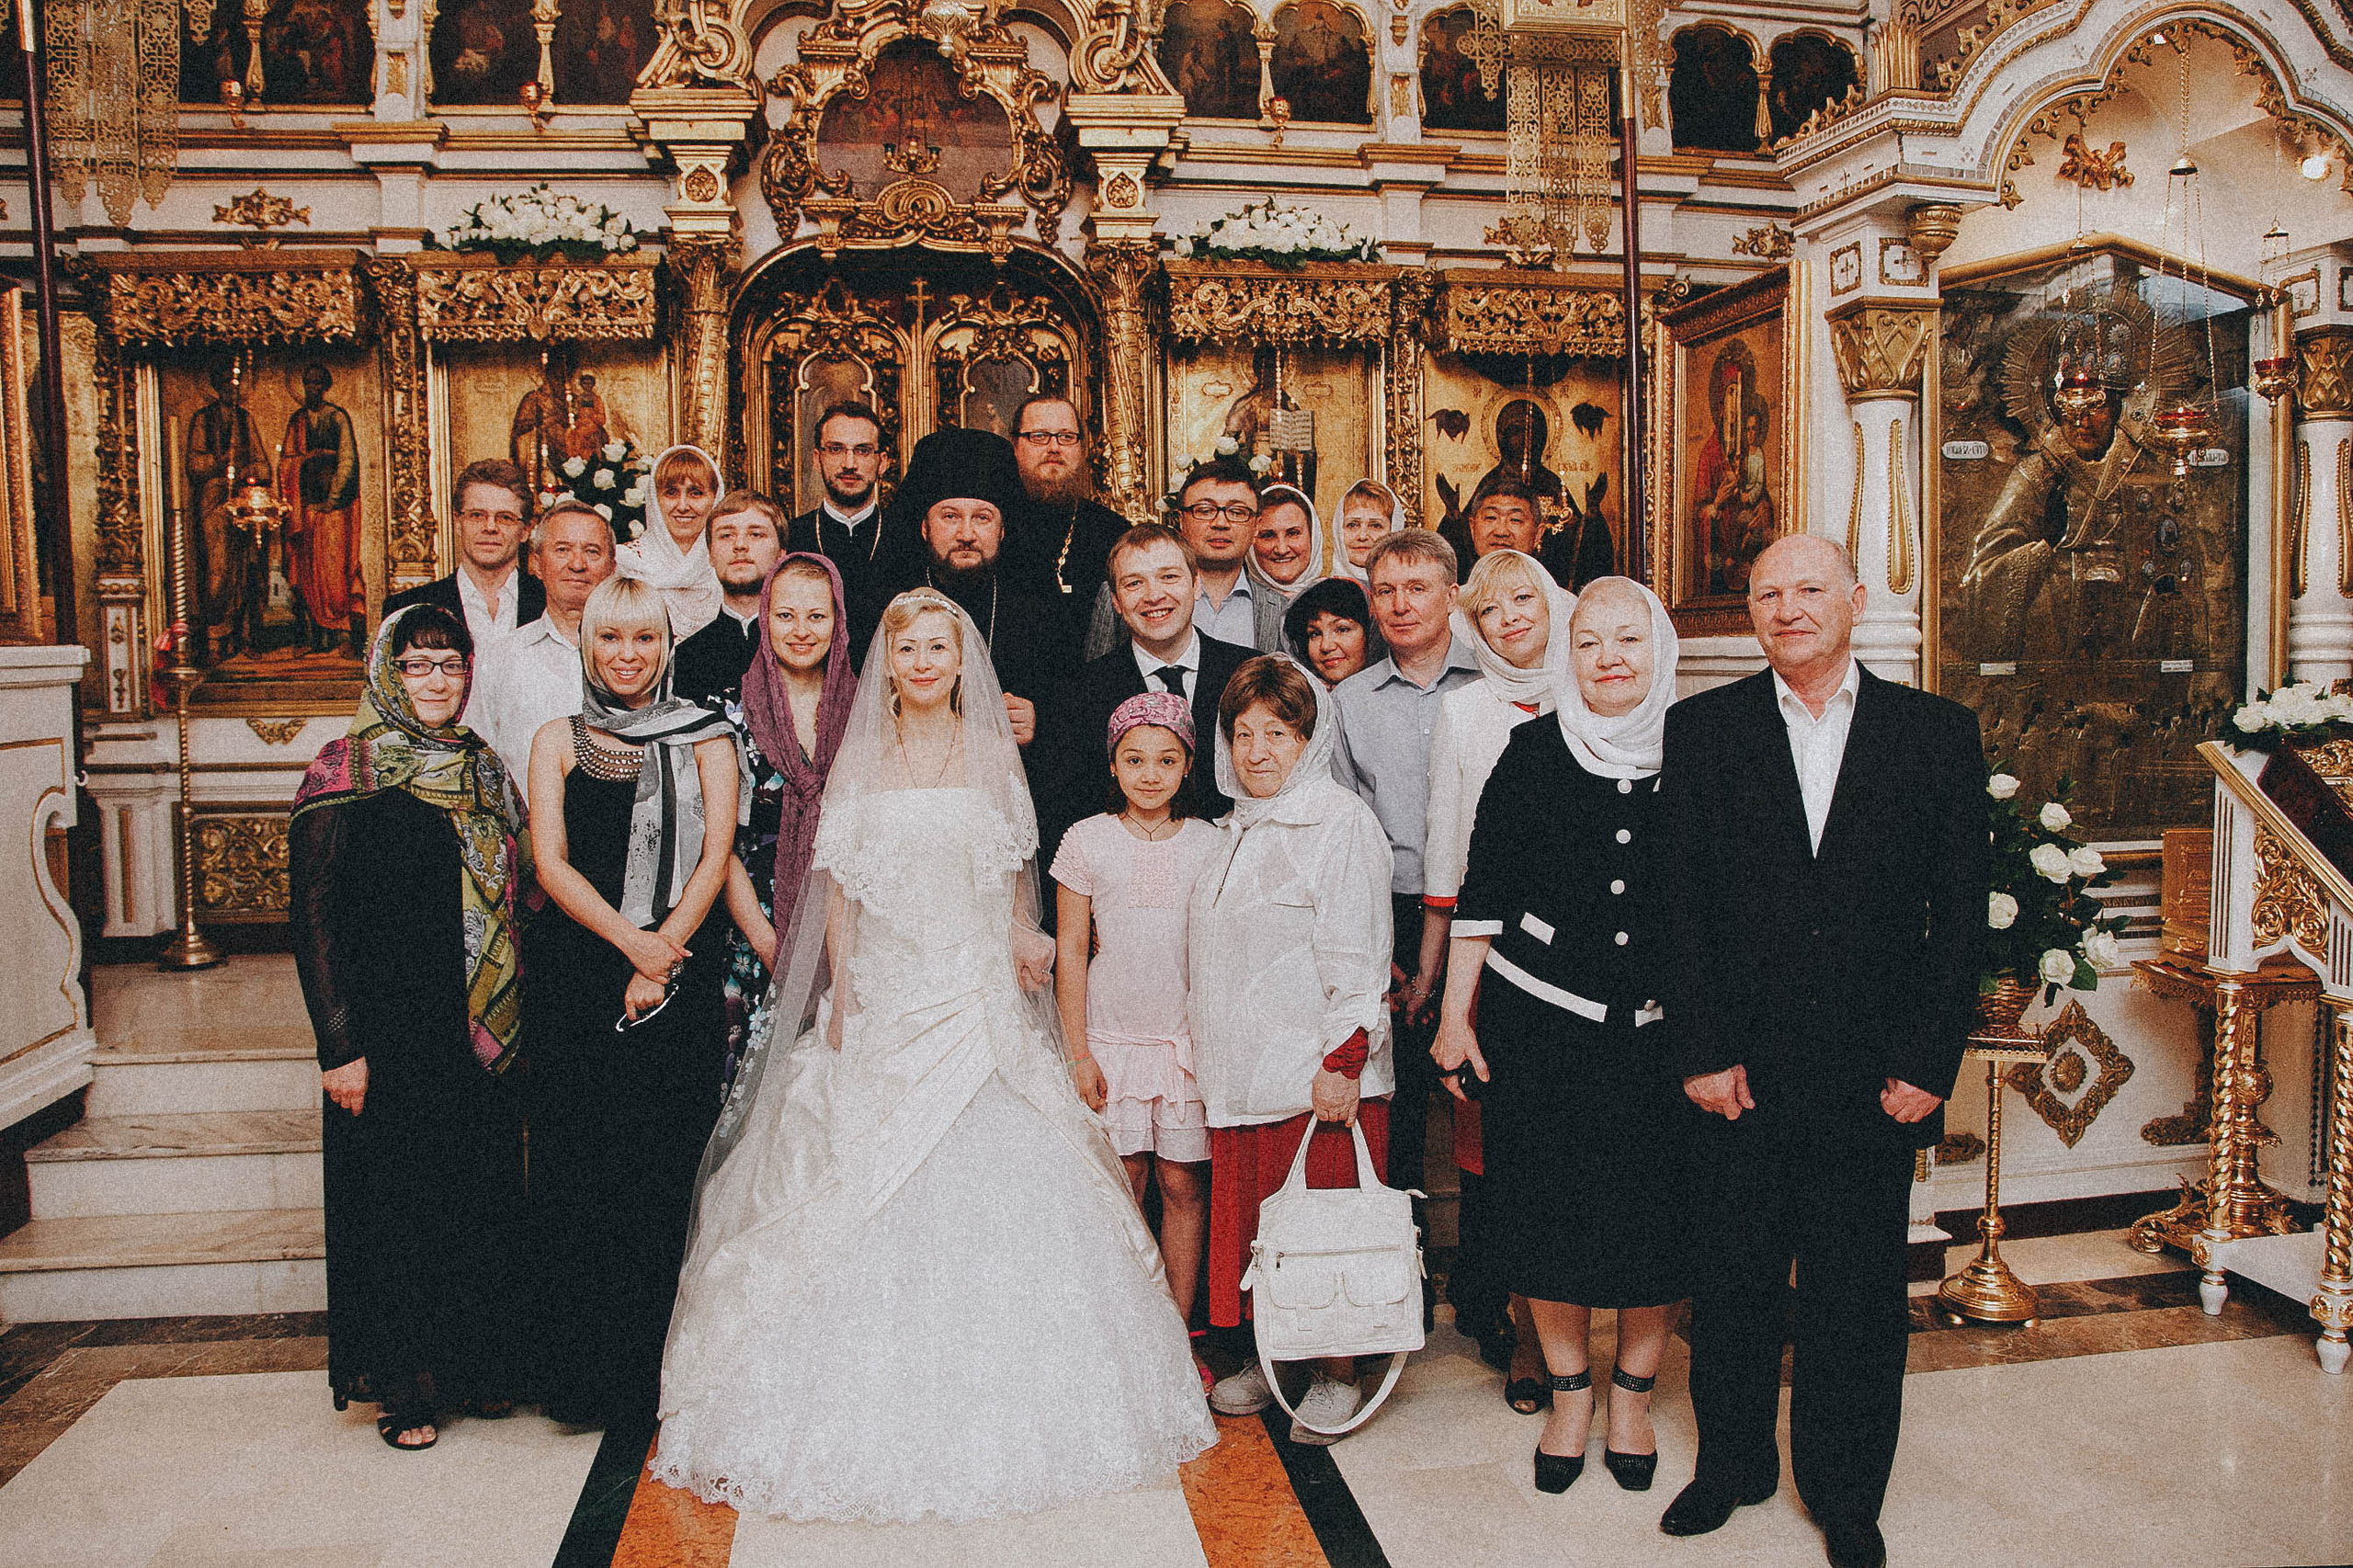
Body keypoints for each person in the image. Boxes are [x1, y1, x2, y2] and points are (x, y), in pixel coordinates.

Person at [654, 588, 1216, 1521]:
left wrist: (1024, 940)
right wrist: (843, 994)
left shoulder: (993, 751)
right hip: (887, 993)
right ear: (888, 659)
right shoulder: (858, 761)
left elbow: (1006, 878)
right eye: (906, 645)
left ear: (963, 662)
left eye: (938, 647)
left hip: (974, 996)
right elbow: (839, 896)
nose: (922, 660)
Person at [1656, 536, 1987, 1568]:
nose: (1787, 607)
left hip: (1871, 1074)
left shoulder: (1934, 733)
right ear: (1746, 613)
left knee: (1853, 1292)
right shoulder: (1703, 730)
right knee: (1734, 1277)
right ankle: (1732, 1465)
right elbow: (1682, 910)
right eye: (1767, 592)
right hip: (1738, 1072)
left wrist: (1931, 1061)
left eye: (1808, 588)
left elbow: (1962, 917)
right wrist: (1700, 1050)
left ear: (1852, 600)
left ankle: (1846, 1492)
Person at [1433, 576, 1692, 1499]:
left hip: (1662, 1036)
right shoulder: (1534, 749)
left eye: (1628, 639)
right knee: (1546, 1215)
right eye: (1587, 642)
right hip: (1538, 1020)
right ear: (1566, 655)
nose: (1609, 657)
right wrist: (1456, 1014)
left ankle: (1632, 1393)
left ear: (1658, 647)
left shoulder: (1700, 752)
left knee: (1654, 1223)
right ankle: (1570, 1392)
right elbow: (1483, 888)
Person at [288, 605, 526, 1452]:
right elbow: (312, 918)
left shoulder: (483, 767)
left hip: (477, 1024)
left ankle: (474, 1364)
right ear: (390, 673)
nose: (436, 682)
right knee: (399, 1206)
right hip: (389, 1033)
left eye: (451, 666)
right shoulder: (343, 769)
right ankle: (408, 1384)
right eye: (419, 667)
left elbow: (520, 888)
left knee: (475, 1195)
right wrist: (338, 1045)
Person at [524, 574, 743, 1428]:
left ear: (666, 647)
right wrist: (630, 943)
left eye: (643, 639)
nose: (627, 655)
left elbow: (716, 854)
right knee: (582, 1172)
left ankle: (658, 1379)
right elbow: (552, 861)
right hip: (580, 977)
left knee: (661, 1174)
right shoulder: (557, 740)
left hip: (679, 974)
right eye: (610, 639)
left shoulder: (705, 737)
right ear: (586, 646)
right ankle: (582, 1377)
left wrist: (664, 954)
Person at [1192, 655, 1395, 1444]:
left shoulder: (1338, 824)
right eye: (1242, 735)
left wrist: (1343, 1063)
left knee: (1323, 1227)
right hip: (1244, 1073)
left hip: (1316, 1077)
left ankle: (1337, 1369)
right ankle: (1269, 1350)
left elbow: (1360, 957)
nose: (1257, 751)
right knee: (1257, 1227)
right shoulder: (1234, 828)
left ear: (1309, 740)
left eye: (1277, 733)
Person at [1417, 547, 1574, 1404]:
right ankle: (1521, 1328)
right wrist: (1441, 986)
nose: (1512, 615)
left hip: (1591, 953)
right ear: (1472, 626)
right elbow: (1447, 844)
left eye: (1526, 598)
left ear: (1556, 602)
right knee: (1504, 1153)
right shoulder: (1466, 711)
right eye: (1491, 608)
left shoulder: (1599, 685)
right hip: (1491, 945)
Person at [1052, 692, 1222, 1390]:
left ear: (1187, 766)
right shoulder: (1086, 840)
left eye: (1166, 759)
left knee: (1184, 1181)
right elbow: (1069, 950)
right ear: (1114, 765)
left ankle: (1178, 1332)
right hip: (1110, 1040)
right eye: (1134, 760)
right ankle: (1128, 1331)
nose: (1149, 773)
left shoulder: (1213, 843)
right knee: (1125, 1184)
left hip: (1184, 1045)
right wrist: (1077, 1053)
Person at [1332, 529, 1480, 1209]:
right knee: (1399, 1096)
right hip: (1390, 908)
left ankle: (1486, 1289)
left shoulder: (1491, 685)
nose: (1399, 605)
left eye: (1417, 588)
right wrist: (1369, 935)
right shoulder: (1349, 701)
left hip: (1484, 911)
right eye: (1384, 590)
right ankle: (1403, 1266)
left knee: (1480, 1091)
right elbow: (1346, 827)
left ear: (1453, 596)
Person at [1038, 524, 1250, 881]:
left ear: (1196, 584)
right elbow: (1066, 817)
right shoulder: (1077, 694)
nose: (1154, 595)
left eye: (1169, 577)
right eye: (1134, 583)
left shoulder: (1249, 674)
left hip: (1237, 888)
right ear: (1117, 602)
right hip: (1125, 894)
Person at [715, 553, 855, 1091]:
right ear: (765, 618)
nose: (801, 631)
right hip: (757, 928)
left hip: (853, 929)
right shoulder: (727, 713)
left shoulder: (870, 710)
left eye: (817, 617)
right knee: (760, 1092)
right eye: (785, 615)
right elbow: (719, 844)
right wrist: (770, 943)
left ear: (838, 621)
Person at [886, 426, 1063, 745]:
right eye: (950, 516)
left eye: (982, 518)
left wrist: (1042, 718)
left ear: (1003, 530)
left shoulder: (1038, 604)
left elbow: (1069, 694)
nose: (966, 534)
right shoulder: (888, 599)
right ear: (925, 527)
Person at [465, 502, 616, 778]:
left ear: (611, 568)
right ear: (536, 563)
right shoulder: (499, 658)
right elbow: (477, 759)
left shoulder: (637, 659)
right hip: (523, 820)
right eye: (563, 550)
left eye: (592, 551)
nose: (578, 564)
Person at [1085, 460, 1286, 659]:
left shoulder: (1280, 610)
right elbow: (1096, 681)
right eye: (1205, 510)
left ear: (1257, 527)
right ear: (1181, 521)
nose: (1220, 523)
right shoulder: (1123, 595)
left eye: (1237, 512)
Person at [1008, 393, 1131, 638]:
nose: (1054, 448)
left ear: (1082, 448)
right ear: (1015, 446)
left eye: (1066, 437)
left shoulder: (1113, 530)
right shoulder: (993, 527)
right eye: (1039, 436)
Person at [384, 459, 543, 644]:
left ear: (525, 530)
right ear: (458, 522)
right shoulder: (406, 608)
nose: (490, 527)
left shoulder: (550, 601)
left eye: (505, 517)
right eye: (477, 515)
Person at [785, 401, 892, 653]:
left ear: (883, 462)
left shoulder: (909, 540)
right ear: (816, 458)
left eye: (863, 451)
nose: (849, 464)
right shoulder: (790, 537)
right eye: (836, 449)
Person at [279, 364, 365, 653]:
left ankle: (341, 635)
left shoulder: (337, 418)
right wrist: (305, 459)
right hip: (305, 508)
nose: (311, 389)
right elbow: (287, 461)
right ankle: (313, 637)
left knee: (332, 569)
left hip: (334, 508)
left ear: (325, 386)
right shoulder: (297, 420)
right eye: (307, 383)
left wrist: (333, 498)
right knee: (307, 572)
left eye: (317, 383)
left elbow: (347, 460)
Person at [672, 491, 787, 704]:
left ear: (781, 555)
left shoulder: (804, 647)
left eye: (756, 534)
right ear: (711, 555)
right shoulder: (684, 659)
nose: (740, 545)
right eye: (726, 535)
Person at [617, 444, 727, 639]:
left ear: (715, 498)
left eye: (696, 493)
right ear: (654, 499)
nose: (683, 506)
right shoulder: (625, 563)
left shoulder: (730, 563)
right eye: (671, 493)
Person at [1283, 575, 1386, 688]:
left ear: (1372, 632)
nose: (1326, 646)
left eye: (1342, 630)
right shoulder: (1292, 699)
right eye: (1315, 634)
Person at [1250, 483, 1321, 598]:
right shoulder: (1234, 604)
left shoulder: (1340, 601)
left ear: (1313, 537)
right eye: (1268, 535)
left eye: (1293, 533)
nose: (1282, 550)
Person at [1333, 479, 1404, 581]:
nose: (1362, 536)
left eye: (1375, 526)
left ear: (1393, 530)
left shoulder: (1410, 592)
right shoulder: (1318, 594)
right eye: (1352, 525)